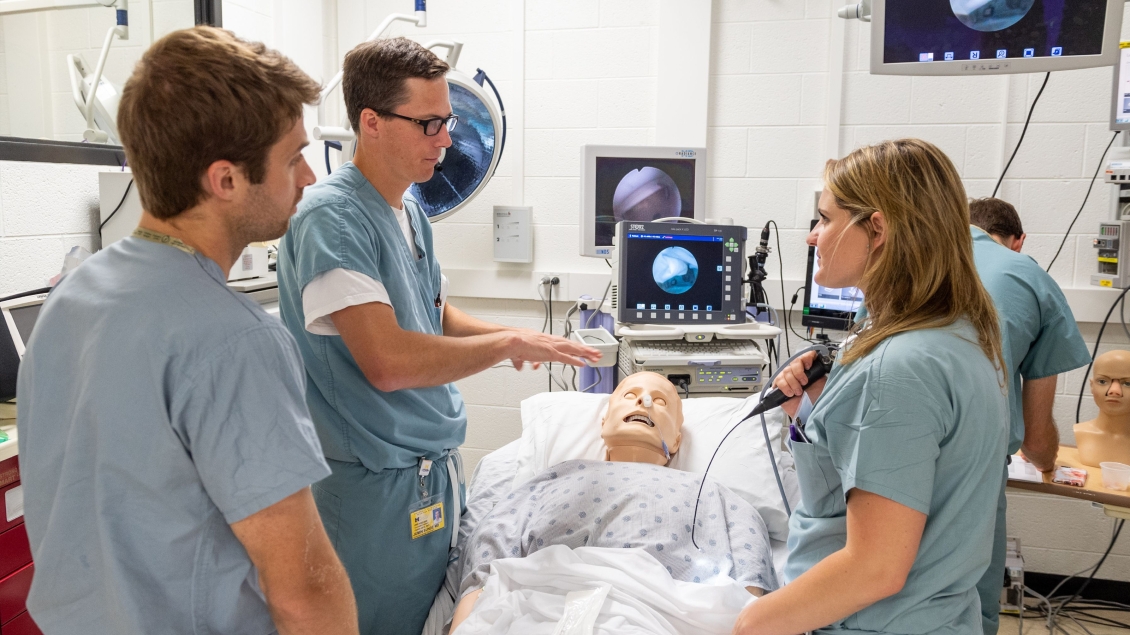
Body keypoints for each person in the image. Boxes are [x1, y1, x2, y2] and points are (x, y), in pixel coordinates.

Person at [16, 27, 357, 635]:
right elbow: (303, 589)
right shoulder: (234, 341)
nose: (308, 176)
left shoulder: (73, 295)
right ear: (225, 180)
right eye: (293, 157)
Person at [276, 37, 600, 635]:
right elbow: (389, 361)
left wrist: (522, 334)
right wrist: (504, 348)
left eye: (447, 122)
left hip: (424, 474)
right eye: (429, 124)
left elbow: (435, 315)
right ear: (370, 123)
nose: (447, 140)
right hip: (370, 487)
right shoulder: (332, 219)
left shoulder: (409, 211)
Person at [732, 139, 1009, 635]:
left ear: (876, 228)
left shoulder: (899, 367)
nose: (814, 236)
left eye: (825, 219)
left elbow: (875, 567)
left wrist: (752, 623)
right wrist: (811, 411)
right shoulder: (956, 334)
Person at [449, 373, 777, 633]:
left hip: (664, 617)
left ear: (677, 439)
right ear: (604, 422)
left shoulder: (712, 494)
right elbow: (485, 560)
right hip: (542, 609)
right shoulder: (554, 478)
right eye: (629, 396)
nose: (645, 402)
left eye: (660, 402)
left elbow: (753, 588)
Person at [968, 196, 1090, 635]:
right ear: (1018, 242)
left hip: (878, 462)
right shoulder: (1029, 277)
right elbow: (1038, 443)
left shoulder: (909, 261)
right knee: (967, 607)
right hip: (970, 477)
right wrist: (1047, 462)